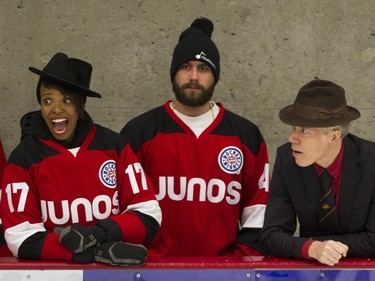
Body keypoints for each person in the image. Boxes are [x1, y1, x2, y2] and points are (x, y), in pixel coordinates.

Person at [120, 17, 270, 256]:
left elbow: (258, 209)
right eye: (185, 67)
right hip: (153, 270)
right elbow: (121, 207)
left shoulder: (245, 135)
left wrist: (238, 264)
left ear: (215, 75)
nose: (194, 76)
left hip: (224, 272)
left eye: (203, 68)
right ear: (173, 72)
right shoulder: (140, 132)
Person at [0, 52, 162, 265]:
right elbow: (18, 236)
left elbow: (148, 215)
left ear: (80, 104)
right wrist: (89, 253)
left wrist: (96, 234)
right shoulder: (24, 157)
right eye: (48, 100)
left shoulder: (113, 146)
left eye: (66, 100)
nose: (56, 109)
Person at [261, 79, 375, 266]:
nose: (292, 138)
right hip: (311, 270)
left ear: (333, 136)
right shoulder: (287, 159)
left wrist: (319, 246)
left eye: (304, 131)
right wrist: (312, 248)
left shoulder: (371, 162)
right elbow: (271, 235)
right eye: (293, 128)